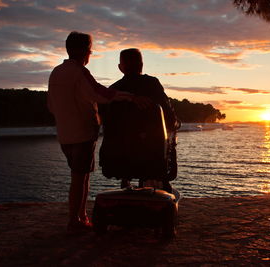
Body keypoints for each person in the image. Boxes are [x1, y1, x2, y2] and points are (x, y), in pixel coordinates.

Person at [47, 31, 134, 234]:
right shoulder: (79, 72)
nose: (91, 53)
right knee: (80, 178)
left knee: (79, 176)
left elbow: (51, 105)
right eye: (90, 49)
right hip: (82, 134)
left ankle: (80, 216)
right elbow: (99, 93)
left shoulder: (56, 72)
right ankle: (75, 220)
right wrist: (129, 97)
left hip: (64, 134)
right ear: (85, 51)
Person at [99, 48, 179, 192]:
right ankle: (160, 182)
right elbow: (169, 116)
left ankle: (126, 179)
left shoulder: (113, 90)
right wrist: (174, 125)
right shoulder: (152, 84)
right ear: (141, 65)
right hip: (150, 156)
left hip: (117, 158)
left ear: (120, 68)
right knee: (160, 141)